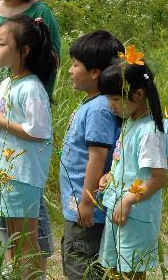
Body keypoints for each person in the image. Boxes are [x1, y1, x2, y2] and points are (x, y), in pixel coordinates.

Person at [0, 0, 60, 269]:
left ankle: (32, 269)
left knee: (25, 214)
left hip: (20, 119)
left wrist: (26, 100)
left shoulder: (41, 14)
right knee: (7, 215)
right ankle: (15, 267)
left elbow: (51, 62)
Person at [59, 31, 124, 279]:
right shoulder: (93, 103)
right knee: (76, 257)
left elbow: (97, 158)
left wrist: (87, 201)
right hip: (78, 205)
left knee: (82, 264)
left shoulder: (99, 109)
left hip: (87, 209)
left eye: (75, 65)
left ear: (95, 72)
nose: (70, 71)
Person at [97, 54, 166, 278]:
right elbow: (127, 165)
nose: (111, 105)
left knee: (132, 271)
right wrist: (110, 176)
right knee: (114, 269)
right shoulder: (131, 123)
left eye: (116, 99)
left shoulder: (149, 132)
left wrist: (128, 199)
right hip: (119, 210)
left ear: (138, 94)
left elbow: (159, 177)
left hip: (135, 214)